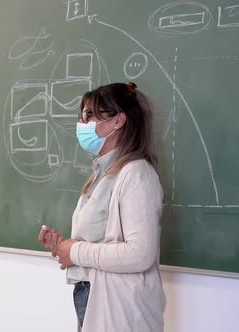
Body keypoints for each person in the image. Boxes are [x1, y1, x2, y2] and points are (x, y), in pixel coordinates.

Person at [37, 82, 166, 332]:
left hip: (121, 308)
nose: (82, 123)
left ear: (118, 121)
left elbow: (140, 254)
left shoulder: (137, 175)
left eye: (89, 115)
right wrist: (64, 246)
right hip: (91, 295)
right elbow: (98, 245)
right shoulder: (102, 174)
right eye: (82, 115)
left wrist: (75, 251)